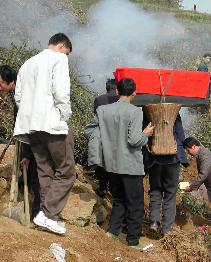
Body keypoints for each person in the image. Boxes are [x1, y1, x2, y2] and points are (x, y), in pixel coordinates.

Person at [13, 33, 75, 235]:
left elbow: (19, 97)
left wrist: (30, 116)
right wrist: (63, 115)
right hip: (51, 124)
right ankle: (47, 215)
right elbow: (61, 92)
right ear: (61, 46)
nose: (66, 56)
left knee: (45, 171)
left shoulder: (27, 63)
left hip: (31, 127)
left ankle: (48, 217)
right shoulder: (59, 58)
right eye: (66, 52)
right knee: (66, 171)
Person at [87, 78, 154, 249]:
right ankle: (133, 241)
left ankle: (112, 231)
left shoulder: (103, 110)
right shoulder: (135, 111)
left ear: (117, 91)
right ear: (134, 93)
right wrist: (146, 133)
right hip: (130, 166)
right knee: (135, 204)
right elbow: (134, 140)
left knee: (119, 199)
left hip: (111, 164)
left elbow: (89, 130)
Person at [0, 65, 40, 218]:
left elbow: (28, 124)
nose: (0, 86)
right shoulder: (15, 93)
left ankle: (36, 213)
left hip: (32, 140)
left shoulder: (23, 95)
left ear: (11, 82)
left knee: (34, 175)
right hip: (23, 137)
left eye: (2, 83)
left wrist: (27, 153)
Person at [144, 114, 189, 235]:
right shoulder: (174, 112)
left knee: (155, 190)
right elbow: (180, 135)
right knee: (170, 194)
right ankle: (166, 229)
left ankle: (154, 221)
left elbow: (144, 134)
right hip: (172, 158)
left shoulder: (148, 111)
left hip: (154, 159)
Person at [92, 78, 119, 198]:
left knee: (102, 162)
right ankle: (114, 189)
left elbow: (96, 117)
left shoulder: (99, 99)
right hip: (118, 136)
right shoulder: (122, 99)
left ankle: (103, 188)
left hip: (103, 135)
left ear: (107, 87)